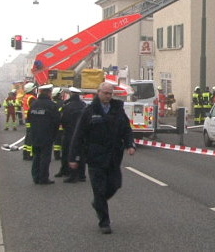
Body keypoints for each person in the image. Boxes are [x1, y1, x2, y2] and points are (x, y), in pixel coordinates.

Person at [69, 82, 136, 234]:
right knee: (99, 190)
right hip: (95, 157)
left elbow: (126, 129)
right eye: (105, 93)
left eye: (110, 93)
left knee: (115, 185)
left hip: (113, 156)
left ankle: (98, 203)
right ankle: (104, 222)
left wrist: (130, 144)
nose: (108, 96)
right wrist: (74, 158)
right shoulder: (90, 111)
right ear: (98, 92)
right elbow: (78, 135)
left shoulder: (117, 110)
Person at [28, 84, 60, 185]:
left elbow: (29, 118)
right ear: (49, 92)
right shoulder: (52, 105)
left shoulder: (34, 104)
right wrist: (54, 134)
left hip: (35, 134)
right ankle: (43, 178)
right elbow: (57, 121)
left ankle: (35, 177)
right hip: (47, 135)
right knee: (45, 157)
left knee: (36, 156)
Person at [59, 87, 87, 183]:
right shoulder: (83, 105)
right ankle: (82, 175)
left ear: (71, 94)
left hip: (69, 132)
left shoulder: (68, 105)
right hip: (82, 133)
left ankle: (71, 174)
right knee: (81, 154)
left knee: (69, 153)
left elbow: (64, 119)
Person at [22, 82, 38, 160]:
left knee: (28, 137)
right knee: (31, 137)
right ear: (31, 89)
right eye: (34, 89)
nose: (35, 90)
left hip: (27, 119)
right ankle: (30, 154)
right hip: (32, 119)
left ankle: (25, 154)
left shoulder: (26, 96)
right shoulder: (31, 98)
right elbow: (35, 108)